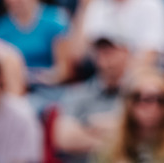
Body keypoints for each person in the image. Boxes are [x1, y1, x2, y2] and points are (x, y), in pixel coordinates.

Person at [52, 32, 131, 163]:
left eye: (110, 51)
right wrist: (116, 138)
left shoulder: (139, 93)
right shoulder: (77, 93)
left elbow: (145, 134)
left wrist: (88, 125)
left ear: (126, 53)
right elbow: (65, 139)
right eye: (100, 52)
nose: (105, 59)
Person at [92, 66, 164, 163]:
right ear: (129, 102)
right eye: (142, 98)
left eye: (160, 99)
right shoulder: (112, 145)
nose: (153, 107)